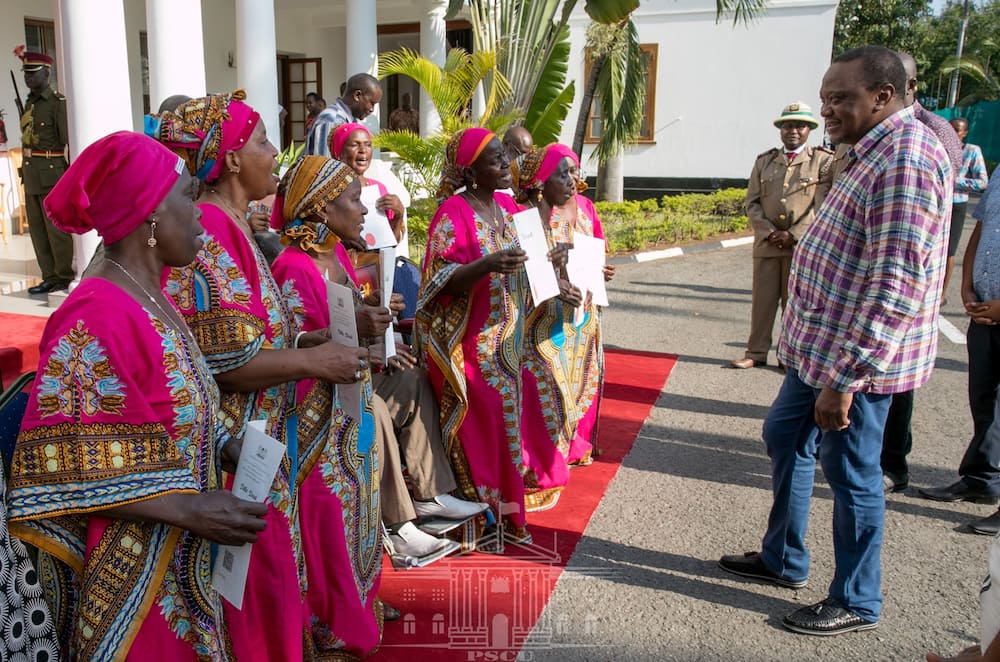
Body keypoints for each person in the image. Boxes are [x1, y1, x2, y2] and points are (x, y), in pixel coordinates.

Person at [718, 45, 952, 636]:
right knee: (782, 436)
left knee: (850, 472)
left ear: (883, 95)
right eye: (825, 97)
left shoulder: (905, 158)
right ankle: (783, 559)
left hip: (853, 365)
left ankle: (856, 599)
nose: (827, 110)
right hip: (818, 352)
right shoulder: (865, 150)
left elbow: (895, 280)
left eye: (840, 98)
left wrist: (849, 378)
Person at [8, 130, 268, 659]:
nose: (199, 216)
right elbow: (70, 459)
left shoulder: (149, 291)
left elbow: (172, 400)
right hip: (129, 563)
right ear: (150, 215)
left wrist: (225, 444)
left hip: (178, 547)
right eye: (186, 199)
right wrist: (189, 508)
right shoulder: (96, 314)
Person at [148, 90, 366, 661]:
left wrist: (302, 340)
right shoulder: (214, 231)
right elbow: (230, 362)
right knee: (254, 580)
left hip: (262, 438)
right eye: (263, 141)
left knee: (270, 575)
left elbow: (250, 335)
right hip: (235, 443)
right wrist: (316, 361)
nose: (275, 153)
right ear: (234, 158)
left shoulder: (238, 226)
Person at [267, 155, 386, 656]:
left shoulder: (334, 257)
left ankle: (359, 606)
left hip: (348, 410)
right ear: (320, 207)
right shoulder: (294, 266)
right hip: (316, 427)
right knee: (328, 519)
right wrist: (350, 331)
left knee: (358, 509)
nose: (363, 209)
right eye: (353, 199)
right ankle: (330, 620)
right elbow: (290, 353)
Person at [416, 127, 532, 545]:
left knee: (507, 426)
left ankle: (510, 512)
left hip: (507, 340)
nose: (505, 165)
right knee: (478, 427)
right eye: (495, 159)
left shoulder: (507, 205)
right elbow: (438, 280)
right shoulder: (453, 212)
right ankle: (479, 514)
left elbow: (527, 259)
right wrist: (488, 264)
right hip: (468, 344)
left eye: (505, 157)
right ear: (470, 170)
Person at [878, 51, 965, 493]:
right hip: (876, 282)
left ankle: (893, 463)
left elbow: (942, 217)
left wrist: (942, 281)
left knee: (895, 388)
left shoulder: (928, 136)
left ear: (907, 86)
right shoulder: (871, 130)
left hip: (902, 288)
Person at [510, 143, 595, 510]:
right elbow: (520, 278)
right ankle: (536, 467)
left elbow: (589, 257)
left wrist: (591, 272)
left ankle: (556, 456)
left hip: (569, 323)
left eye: (573, 173)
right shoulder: (524, 220)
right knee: (545, 389)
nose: (572, 181)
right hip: (532, 330)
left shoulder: (576, 213)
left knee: (568, 391)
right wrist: (556, 276)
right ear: (541, 182)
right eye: (563, 174)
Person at [919, 168, 1000, 534]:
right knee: (985, 401)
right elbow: (981, 230)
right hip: (983, 310)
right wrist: (966, 286)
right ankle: (982, 480)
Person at [730, 102, 832, 370]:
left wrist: (794, 233)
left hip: (800, 244)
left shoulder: (821, 160)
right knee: (762, 302)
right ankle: (756, 351)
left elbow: (820, 205)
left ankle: (789, 355)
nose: (793, 131)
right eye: (787, 126)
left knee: (794, 303)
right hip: (767, 242)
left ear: (809, 129)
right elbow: (752, 202)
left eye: (799, 126)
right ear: (780, 130)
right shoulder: (765, 160)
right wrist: (770, 232)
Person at [14, 47, 73, 294]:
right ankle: (48, 275)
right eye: (26, 73)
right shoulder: (29, 103)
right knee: (37, 230)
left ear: (46, 74)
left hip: (52, 171)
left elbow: (64, 138)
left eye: (33, 73)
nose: (28, 78)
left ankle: (62, 275)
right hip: (31, 172)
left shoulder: (57, 103)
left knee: (55, 229)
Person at [330, 122, 406, 244]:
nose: (363, 150)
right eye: (355, 145)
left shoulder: (379, 189)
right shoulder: (328, 190)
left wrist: (398, 215)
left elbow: (389, 242)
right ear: (338, 153)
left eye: (368, 145)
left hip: (374, 262)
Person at [942, 117, 988, 297]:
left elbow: (982, 182)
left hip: (957, 204)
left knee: (949, 250)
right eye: (950, 129)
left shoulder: (971, 151)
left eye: (957, 130)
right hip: (939, 202)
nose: (953, 133)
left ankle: (942, 295)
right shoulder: (939, 148)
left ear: (964, 133)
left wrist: (954, 181)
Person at [306, 73, 382, 157]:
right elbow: (324, 165)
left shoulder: (350, 120)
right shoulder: (332, 120)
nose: (372, 109)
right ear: (357, 95)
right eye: (372, 103)